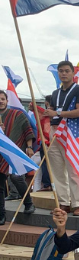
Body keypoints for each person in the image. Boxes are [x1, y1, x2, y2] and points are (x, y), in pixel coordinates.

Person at [43, 61, 79, 215]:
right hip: (55, 131)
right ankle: (63, 202)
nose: (63, 73)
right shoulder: (55, 93)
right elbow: (53, 111)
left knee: (73, 168)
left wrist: (57, 113)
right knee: (57, 169)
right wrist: (44, 111)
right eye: (61, 71)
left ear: (73, 72)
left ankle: (78, 203)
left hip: (71, 131)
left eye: (66, 71)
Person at [0, 90, 36, 224]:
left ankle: (28, 203)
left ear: (6, 100)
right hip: (0, 153)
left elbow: (27, 130)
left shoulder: (17, 114)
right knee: (0, 184)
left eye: (2, 99)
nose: (0, 101)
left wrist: (29, 147)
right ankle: (1, 215)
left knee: (16, 177)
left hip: (15, 149)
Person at [31, 99, 52, 191]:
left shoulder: (50, 115)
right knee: (39, 171)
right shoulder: (47, 116)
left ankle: (48, 184)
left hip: (50, 143)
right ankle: (47, 185)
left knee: (45, 165)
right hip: (45, 145)